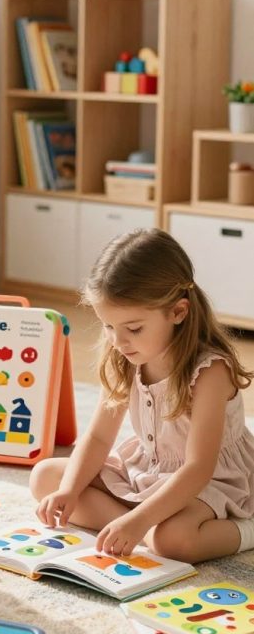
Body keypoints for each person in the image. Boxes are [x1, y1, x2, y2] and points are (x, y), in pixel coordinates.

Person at [31, 228, 254, 564]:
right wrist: (69, 491)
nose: (118, 341)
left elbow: (198, 469)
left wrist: (138, 520)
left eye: (133, 328)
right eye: (108, 326)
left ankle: (159, 527)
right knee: (46, 479)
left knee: (173, 542)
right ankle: (139, 526)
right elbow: (98, 436)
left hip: (207, 481)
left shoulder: (210, 372)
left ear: (178, 312)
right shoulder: (125, 355)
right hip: (148, 469)